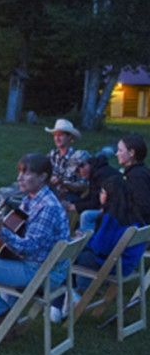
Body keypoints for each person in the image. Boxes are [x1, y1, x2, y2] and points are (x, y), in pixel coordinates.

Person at [0, 153, 70, 340]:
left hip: (42, 274)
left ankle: (2, 316)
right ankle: (5, 318)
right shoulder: (33, 198)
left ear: (43, 177)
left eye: (26, 173)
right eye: (20, 172)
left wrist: (0, 230)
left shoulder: (47, 207)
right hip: (44, 266)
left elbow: (28, 247)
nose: (19, 178)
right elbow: (21, 229)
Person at [52, 175, 145, 321]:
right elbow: (108, 242)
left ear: (109, 196)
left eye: (102, 193)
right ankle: (67, 299)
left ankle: (64, 302)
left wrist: (84, 239)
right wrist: (89, 237)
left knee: (64, 257)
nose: (100, 195)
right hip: (126, 264)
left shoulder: (111, 218)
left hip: (111, 264)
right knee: (73, 252)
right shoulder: (133, 213)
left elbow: (100, 248)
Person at [64, 154, 120, 233]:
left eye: (78, 171)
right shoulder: (96, 172)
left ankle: (87, 241)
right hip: (110, 208)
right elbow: (91, 196)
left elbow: (96, 202)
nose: (78, 175)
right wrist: (71, 203)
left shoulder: (101, 175)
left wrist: (74, 207)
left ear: (85, 165)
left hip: (115, 211)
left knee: (86, 215)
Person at [45, 118, 89, 200]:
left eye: (60, 135)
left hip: (69, 194)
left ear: (69, 137)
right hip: (52, 190)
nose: (57, 138)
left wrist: (64, 184)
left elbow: (84, 185)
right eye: (55, 135)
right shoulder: (52, 154)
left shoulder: (78, 157)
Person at [116, 133, 150, 224]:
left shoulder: (137, 176)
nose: (117, 154)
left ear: (131, 153)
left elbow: (142, 206)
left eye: (120, 150)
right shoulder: (133, 172)